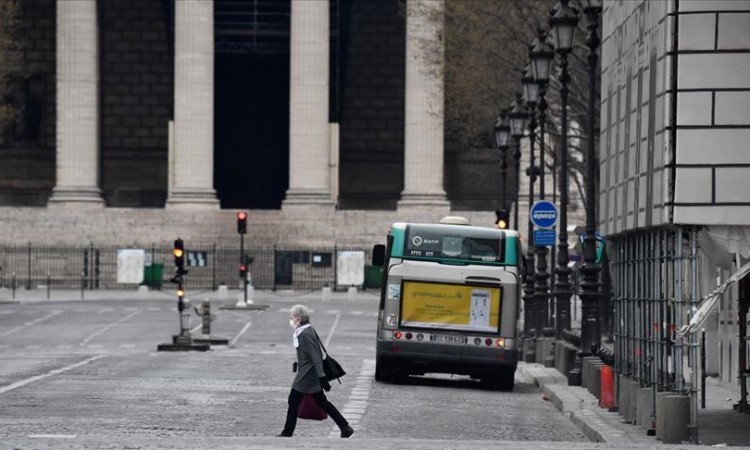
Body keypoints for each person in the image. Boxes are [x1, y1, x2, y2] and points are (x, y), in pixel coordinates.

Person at [278, 304, 354, 438]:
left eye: (292, 317)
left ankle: (287, 432)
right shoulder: (304, 331)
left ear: (298, 318)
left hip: (307, 375)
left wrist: (322, 377)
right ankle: (345, 427)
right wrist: (297, 363)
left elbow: (316, 357)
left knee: (293, 401)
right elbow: (304, 353)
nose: (291, 320)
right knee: (322, 402)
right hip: (309, 373)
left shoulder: (306, 333)